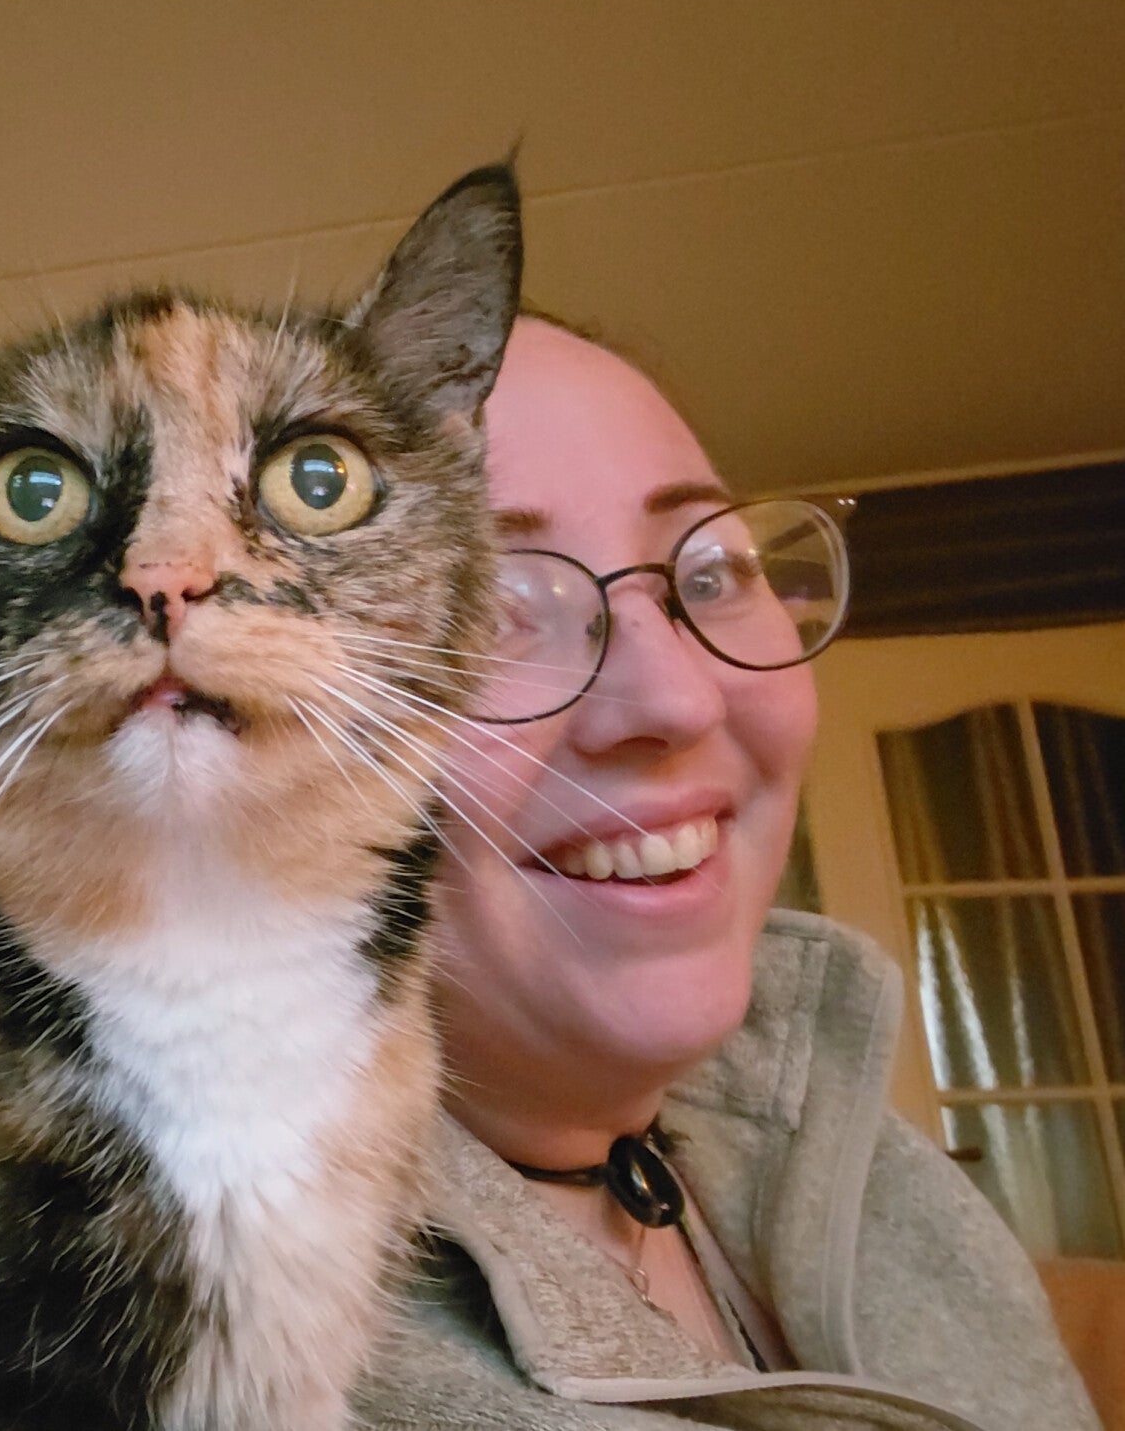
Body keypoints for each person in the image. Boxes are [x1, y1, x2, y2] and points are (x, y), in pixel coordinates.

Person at [355, 317, 1098, 1430]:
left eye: (707, 572)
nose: (677, 696)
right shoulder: (208, 1358)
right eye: (488, 602)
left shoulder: (880, 1176)